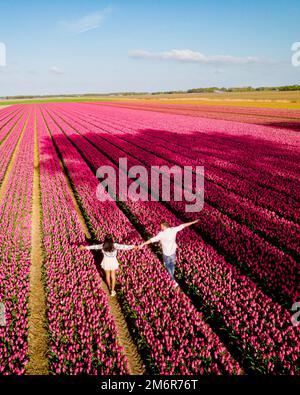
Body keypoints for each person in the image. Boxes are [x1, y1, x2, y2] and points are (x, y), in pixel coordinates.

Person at [138, 219, 200, 287]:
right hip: (173, 252)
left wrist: (143, 244)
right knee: (172, 265)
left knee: (167, 267)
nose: (160, 228)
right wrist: (194, 222)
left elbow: (152, 240)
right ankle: (172, 277)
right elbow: (183, 225)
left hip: (166, 254)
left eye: (161, 226)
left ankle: (173, 281)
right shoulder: (173, 229)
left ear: (164, 226)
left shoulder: (161, 234)